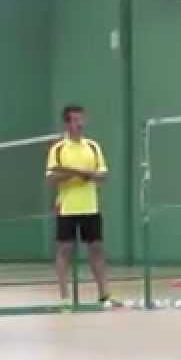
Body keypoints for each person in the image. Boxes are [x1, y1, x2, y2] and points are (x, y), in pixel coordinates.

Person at [46, 105, 116, 309]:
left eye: (81, 119)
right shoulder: (58, 149)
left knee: (97, 250)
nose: (80, 123)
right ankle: (64, 297)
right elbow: (51, 178)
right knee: (64, 250)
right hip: (67, 207)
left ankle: (104, 295)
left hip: (90, 207)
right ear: (67, 123)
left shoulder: (93, 147)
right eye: (75, 120)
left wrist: (89, 174)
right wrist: (73, 174)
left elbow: (103, 175)